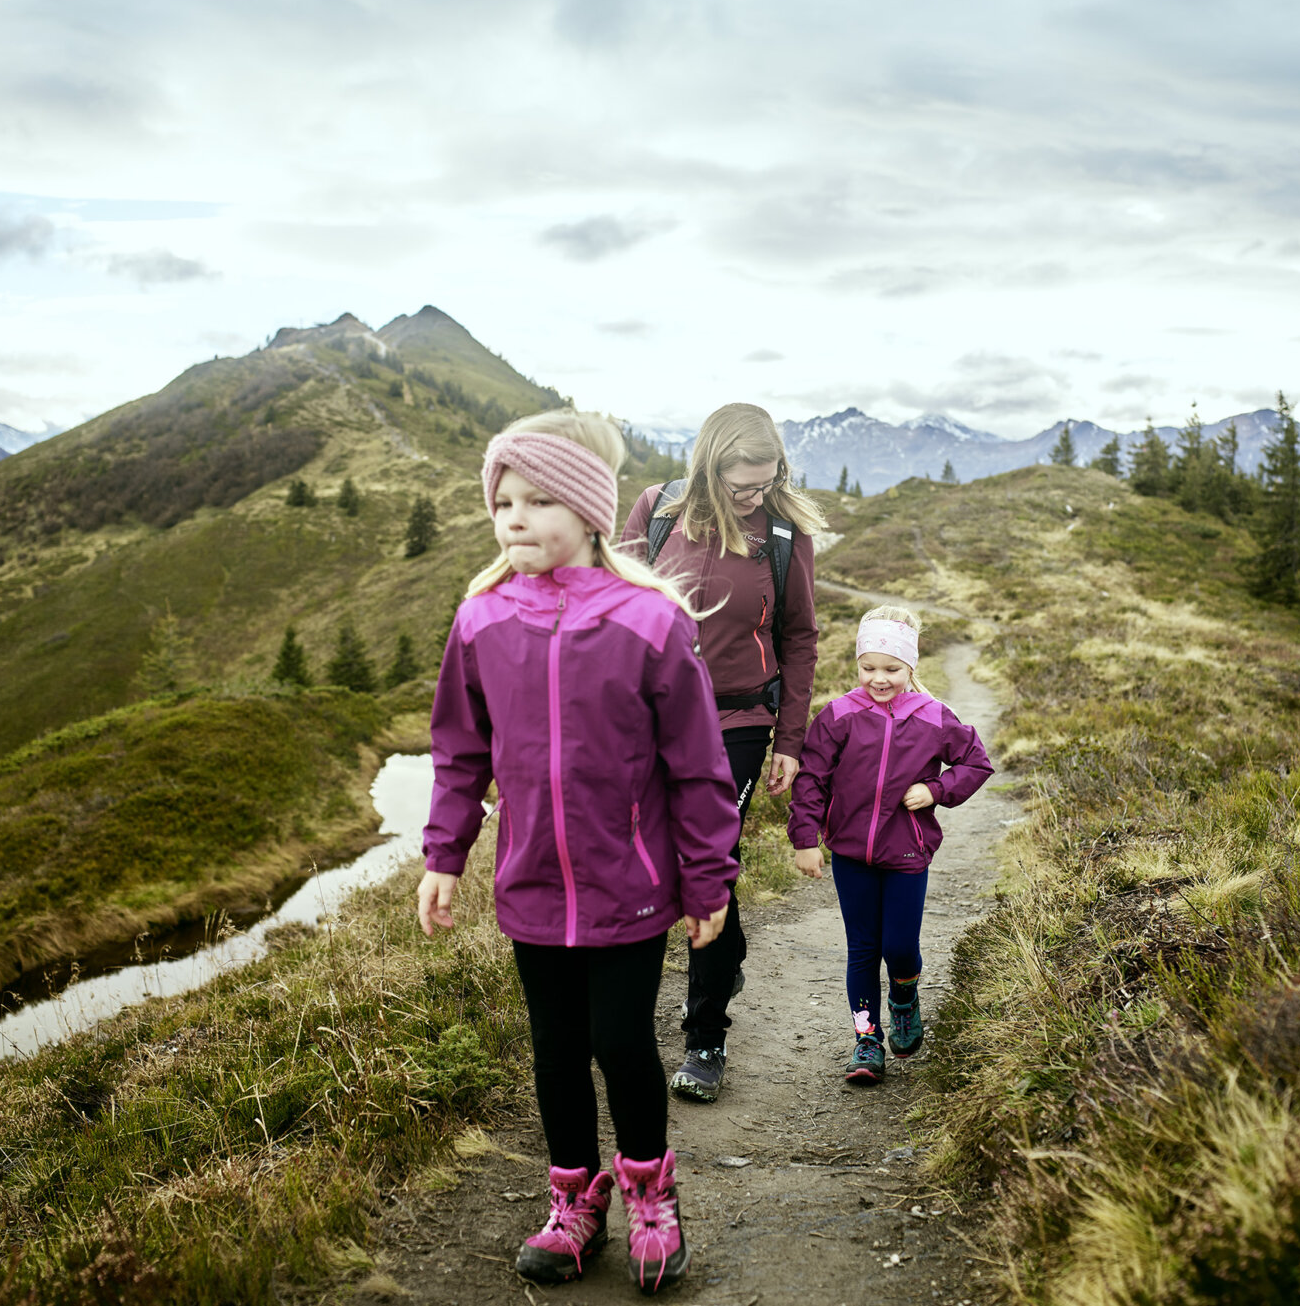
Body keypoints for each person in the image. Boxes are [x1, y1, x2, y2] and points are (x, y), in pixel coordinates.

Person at [417, 409, 741, 1294]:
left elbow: (699, 763)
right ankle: (573, 1201)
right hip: (529, 885)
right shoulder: (481, 619)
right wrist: (445, 854)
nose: (513, 517)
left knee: (619, 1041)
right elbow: (460, 752)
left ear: (591, 509)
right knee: (554, 1048)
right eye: (502, 501)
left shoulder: (648, 621)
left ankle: (650, 1194)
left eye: (537, 498)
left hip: (629, 887)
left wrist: (709, 875)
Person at [618, 402, 824, 1104]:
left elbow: (799, 639)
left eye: (765, 483)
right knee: (656, 855)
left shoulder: (783, 536)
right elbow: (613, 604)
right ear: (709, 464)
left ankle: (705, 1039)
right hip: (650, 714)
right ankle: (725, 954)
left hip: (736, 719)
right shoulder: (658, 513)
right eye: (742, 484)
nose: (753, 496)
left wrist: (789, 740)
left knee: (704, 858)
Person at [787, 606, 993, 1083]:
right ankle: (866, 1041)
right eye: (869, 668)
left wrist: (936, 790)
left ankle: (904, 996)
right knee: (862, 948)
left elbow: (975, 763)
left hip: (907, 853)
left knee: (899, 947)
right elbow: (812, 779)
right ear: (857, 665)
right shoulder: (838, 714)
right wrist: (806, 839)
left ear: (911, 668)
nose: (879, 679)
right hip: (850, 854)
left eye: (891, 669)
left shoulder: (934, 717)